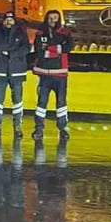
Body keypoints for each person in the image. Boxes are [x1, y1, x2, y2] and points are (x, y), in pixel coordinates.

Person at [33, 9, 74, 139]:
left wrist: (49, 49)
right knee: (41, 103)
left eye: (55, 18)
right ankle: (38, 130)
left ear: (59, 19)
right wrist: (57, 49)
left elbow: (69, 47)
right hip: (44, 74)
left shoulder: (65, 33)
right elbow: (39, 50)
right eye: (50, 18)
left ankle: (63, 130)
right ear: (46, 19)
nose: (52, 20)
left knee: (61, 103)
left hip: (60, 74)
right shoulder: (40, 33)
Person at [0, 10, 30, 138]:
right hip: (1, 71)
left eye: (11, 20)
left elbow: (27, 48)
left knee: (17, 101)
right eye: (6, 19)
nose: (8, 22)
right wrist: (15, 49)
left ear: (14, 21)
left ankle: (17, 126)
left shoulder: (21, 33)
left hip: (17, 72)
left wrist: (11, 53)